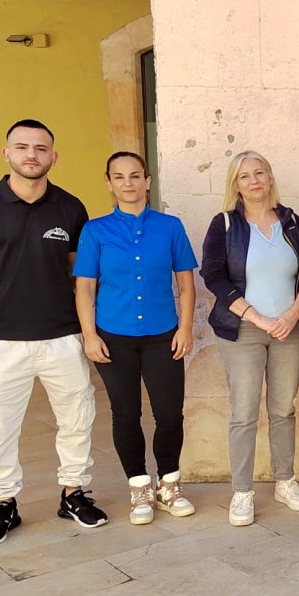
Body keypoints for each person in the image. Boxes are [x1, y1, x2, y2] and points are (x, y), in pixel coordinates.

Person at [0, 119, 108, 545]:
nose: (31, 155)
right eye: (22, 147)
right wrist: (1, 300)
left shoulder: (70, 208)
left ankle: (73, 493)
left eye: (41, 148)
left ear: (53, 157)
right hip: (2, 338)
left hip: (62, 334)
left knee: (76, 416)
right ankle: (4, 502)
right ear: (6, 153)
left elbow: (79, 271)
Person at [74, 152, 198, 525]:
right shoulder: (95, 231)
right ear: (109, 183)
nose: (127, 183)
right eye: (119, 176)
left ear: (147, 180)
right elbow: (85, 288)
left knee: (169, 414)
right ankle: (139, 487)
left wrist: (185, 328)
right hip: (114, 337)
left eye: (134, 175)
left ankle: (169, 485)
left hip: (163, 335)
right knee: (126, 414)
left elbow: (186, 285)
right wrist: (89, 335)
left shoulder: (170, 227)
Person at [200, 150, 299, 527]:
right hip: (243, 329)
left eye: (260, 173)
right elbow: (213, 276)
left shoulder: (291, 221)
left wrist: (292, 315)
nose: (254, 181)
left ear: (270, 177)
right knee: (244, 413)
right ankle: (242, 492)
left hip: (289, 329)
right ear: (235, 185)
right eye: (244, 176)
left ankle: (285, 481)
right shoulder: (224, 224)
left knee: (283, 409)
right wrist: (258, 317)